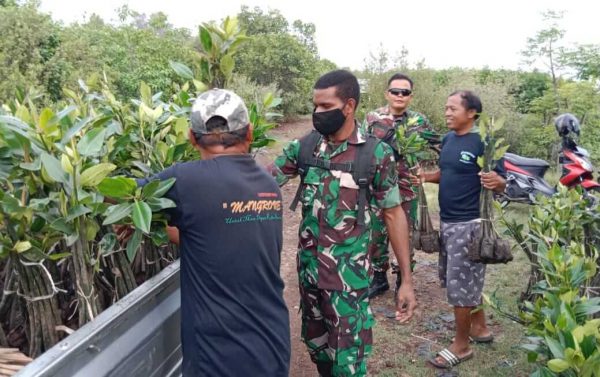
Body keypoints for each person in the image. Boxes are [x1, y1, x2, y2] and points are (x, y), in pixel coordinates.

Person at [269, 70, 417, 377]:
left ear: (348, 106)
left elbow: (393, 214)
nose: (317, 113)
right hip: (309, 277)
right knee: (318, 350)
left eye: (325, 106)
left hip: (347, 284)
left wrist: (406, 279)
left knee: (348, 365)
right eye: (315, 106)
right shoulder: (307, 148)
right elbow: (263, 180)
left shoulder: (375, 154)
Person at [136, 89, 290, 376]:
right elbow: (213, 237)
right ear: (250, 132)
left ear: (192, 138)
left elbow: (125, 196)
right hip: (272, 343)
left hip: (217, 356)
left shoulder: (185, 180)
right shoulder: (268, 184)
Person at [412, 90, 505, 368]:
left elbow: (502, 182)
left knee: (460, 285)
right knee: (464, 279)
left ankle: (462, 345)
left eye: (453, 108)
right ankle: (479, 328)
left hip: (471, 224)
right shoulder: (449, 139)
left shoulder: (484, 143)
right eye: (446, 108)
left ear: (472, 113)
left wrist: (496, 181)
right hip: (449, 222)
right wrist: (427, 177)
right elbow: (448, 172)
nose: (447, 113)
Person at [364, 73, 433, 298]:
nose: (400, 96)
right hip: (377, 187)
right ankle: (379, 276)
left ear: (410, 97)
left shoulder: (420, 121)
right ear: (387, 93)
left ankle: (404, 278)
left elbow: (437, 145)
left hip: (407, 188)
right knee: (376, 232)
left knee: (406, 234)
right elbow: (362, 147)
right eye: (395, 91)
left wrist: (427, 172)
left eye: (405, 92)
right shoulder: (373, 118)